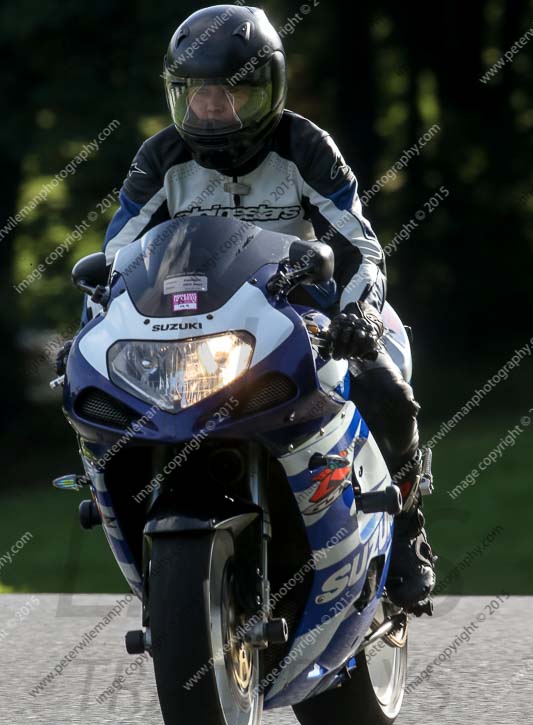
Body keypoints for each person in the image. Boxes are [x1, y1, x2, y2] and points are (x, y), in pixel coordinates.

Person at [79, 5, 437, 615]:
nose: (214, 109)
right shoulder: (160, 157)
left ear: (268, 88)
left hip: (305, 317)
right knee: (96, 395)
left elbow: (358, 244)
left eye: (233, 92)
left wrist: (361, 316)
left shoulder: (305, 146)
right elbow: (118, 255)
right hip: (196, 327)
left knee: (388, 393)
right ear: (178, 95)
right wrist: (95, 320)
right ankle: (127, 514)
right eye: (198, 94)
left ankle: (407, 530)